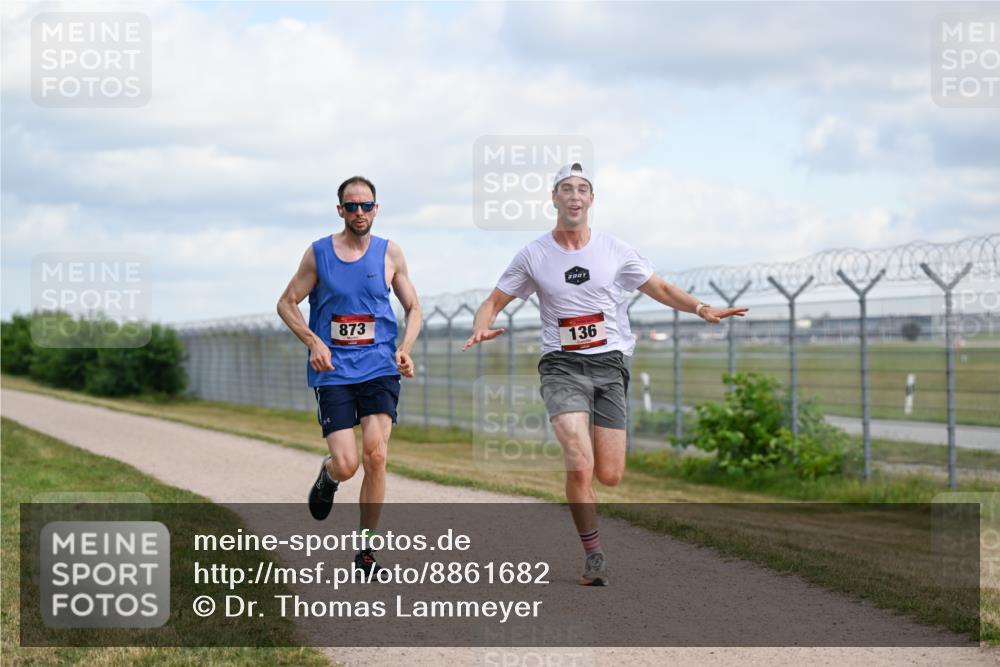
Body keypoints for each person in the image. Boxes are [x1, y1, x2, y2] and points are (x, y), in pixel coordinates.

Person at [463, 163, 747, 586]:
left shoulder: (615, 250)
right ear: (554, 198)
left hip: (610, 365)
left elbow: (662, 289)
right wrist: (480, 326)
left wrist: (702, 308)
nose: (574, 196)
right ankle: (593, 555)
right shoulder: (534, 254)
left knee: (609, 474)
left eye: (582, 189)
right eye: (566, 189)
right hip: (561, 365)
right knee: (579, 462)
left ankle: (589, 496)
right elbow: (494, 300)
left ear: (591, 200)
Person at [277, 175, 421, 576]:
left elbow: (414, 309)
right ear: (340, 210)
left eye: (367, 205)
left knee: (377, 456)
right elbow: (286, 303)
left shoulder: (391, 253)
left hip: (378, 367)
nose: (360, 212)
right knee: (348, 464)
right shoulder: (319, 254)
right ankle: (328, 476)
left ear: (376, 209)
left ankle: (366, 551)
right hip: (333, 371)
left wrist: (405, 349)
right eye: (352, 206)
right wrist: (312, 341)